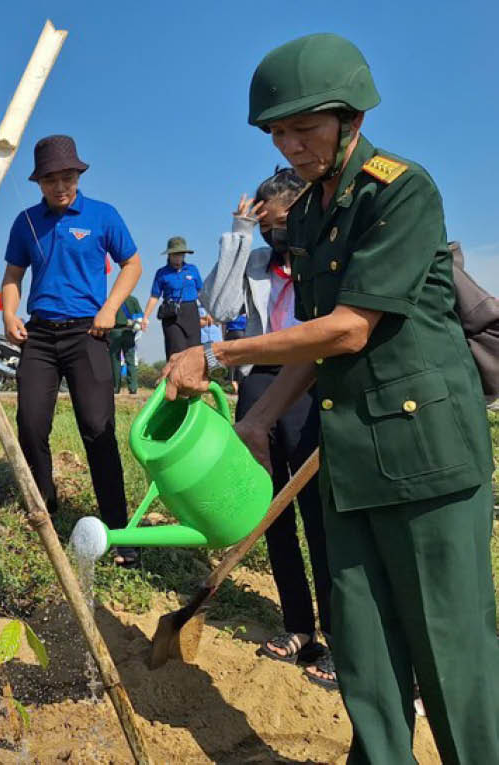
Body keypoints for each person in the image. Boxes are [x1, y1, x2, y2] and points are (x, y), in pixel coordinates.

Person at [164, 33, 499, 762]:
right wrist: (257, 419)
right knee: (364, 653)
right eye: (276, 133)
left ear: (350, 117)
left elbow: (348, 328)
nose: (289, 146)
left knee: (450, 655)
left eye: (303, 128)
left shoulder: (400, 190)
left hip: (426, 462)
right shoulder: (310, 214)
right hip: (349, 462)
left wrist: (218, 352)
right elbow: (313, 345)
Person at [200, 168, 334, 689]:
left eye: (283, 222)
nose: (276, 233)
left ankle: (339, 637)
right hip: (260, 382)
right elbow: (219, 307)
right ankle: (298, 626)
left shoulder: (323, 257)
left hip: (310, 382)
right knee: (270, 508)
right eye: (266, 225)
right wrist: (238, 234)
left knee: (318, 515)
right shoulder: (255, 261)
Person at [0, 134, 142, 567]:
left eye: (67, 177)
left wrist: (110, 308)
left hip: (88, 334)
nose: (60, 186)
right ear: (38, 182)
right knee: (30, 425)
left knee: (98, 428)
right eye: (50, 180)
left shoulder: (103, 215)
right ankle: (44, 509)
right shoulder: (26, 222)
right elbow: (12, 275)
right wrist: (9, 314)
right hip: (40, 337)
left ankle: (119, 531)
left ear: (78, 175)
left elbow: (132, 264)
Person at [142, 236, 202, 358]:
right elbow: (154, 296)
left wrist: (208, 312)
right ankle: (175, 371)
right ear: (169, 255)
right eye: (175, 254)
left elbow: (201, 292)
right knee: (177, 349)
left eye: (181, 254)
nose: (178, 257)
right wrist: (145, 317)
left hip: (191, 312)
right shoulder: (161, 273)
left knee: (194, 351)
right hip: (172, 313)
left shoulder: (192, 269)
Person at [108, 293, 142, 394]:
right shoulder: (133, 299)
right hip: (129, 332)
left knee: (115, 361)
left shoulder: (112, 299)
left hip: (115, 332)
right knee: (130, 360)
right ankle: (133, 388)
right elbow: (140, 318)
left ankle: (116, 388)